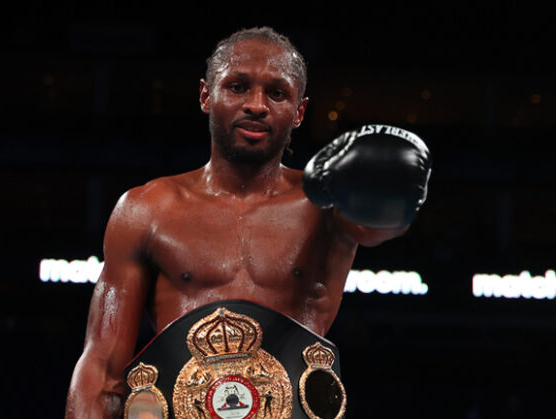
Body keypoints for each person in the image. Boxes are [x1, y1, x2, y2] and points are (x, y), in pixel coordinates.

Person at [65, 27, 431, 419]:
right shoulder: (146, 210)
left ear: (300, 111)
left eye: (276, 93)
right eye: (238, 87)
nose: (257, 105)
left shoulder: (327, 207)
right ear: (207, 96)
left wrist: (391, 187)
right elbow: (101, 367)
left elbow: (381, 227)